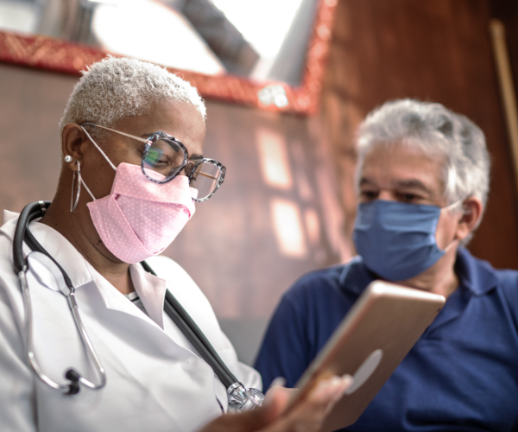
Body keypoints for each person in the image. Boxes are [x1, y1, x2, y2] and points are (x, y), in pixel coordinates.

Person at [0, 56, 352, 432]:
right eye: (159, 157)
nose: (179, 191)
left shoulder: (172, 280)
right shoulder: (11, 290)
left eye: (190, 171)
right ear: (78, 145)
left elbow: (242, 395)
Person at [255, 99, 518, 431]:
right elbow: (265, 421)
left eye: (409, 197)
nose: (380, 210)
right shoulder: (310, 301)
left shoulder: (510, 301)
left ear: (465, 216)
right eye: (369, 193)